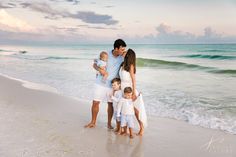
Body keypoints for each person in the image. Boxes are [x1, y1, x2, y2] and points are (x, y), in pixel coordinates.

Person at [85, 39, 127, 129]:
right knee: (95, 102)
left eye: (124, 49)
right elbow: (94, 65)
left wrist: (125, 55)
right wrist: (100, 70)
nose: (123, 51)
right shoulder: (105, 54)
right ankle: (93, 122)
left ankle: (109, 124)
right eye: (122, 49)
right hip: (100, 83)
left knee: (110, 104)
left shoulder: (122, 57)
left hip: (112, 85)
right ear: (116, 48)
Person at [119, 48, 148, 136]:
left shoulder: (130, 66)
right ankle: (125, 129)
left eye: (125, 52)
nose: (123, 52)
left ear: (128, 55)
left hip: (130, 90)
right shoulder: (122, 64)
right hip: (123, 89)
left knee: (135, 110)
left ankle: (142, 128)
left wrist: (134, 93)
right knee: (125, 109)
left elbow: (134, 80)